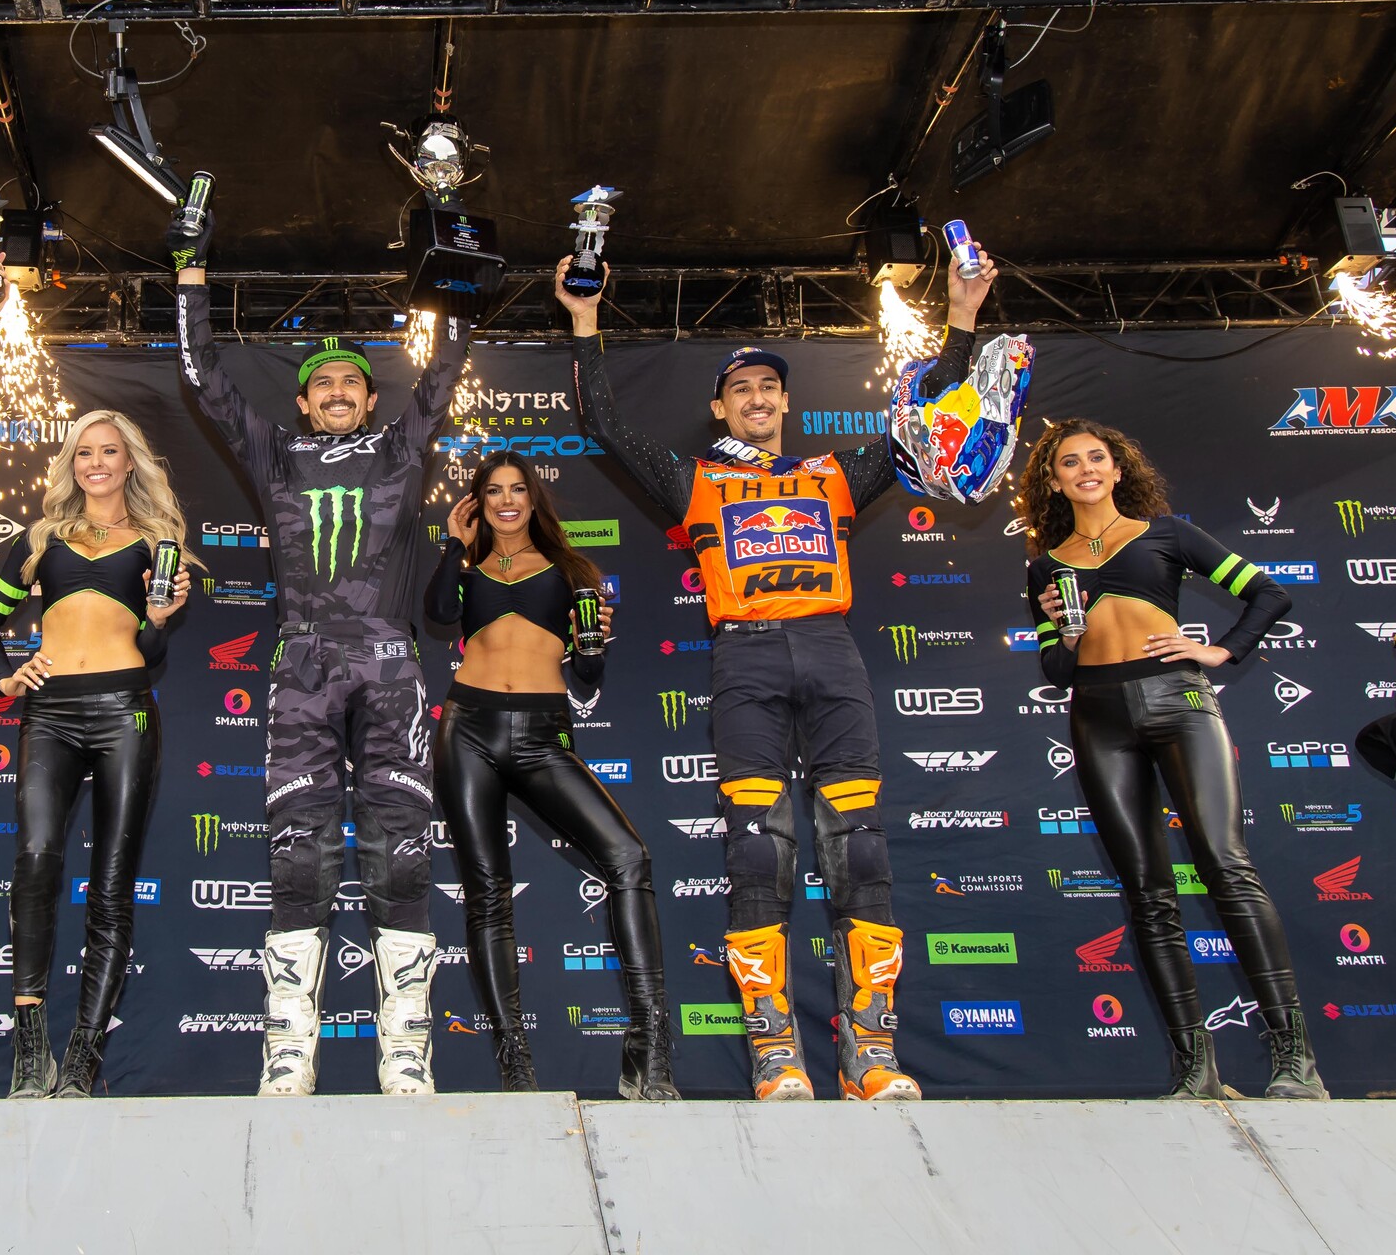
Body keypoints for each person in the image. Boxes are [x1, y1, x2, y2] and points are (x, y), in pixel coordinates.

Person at [557, 253, 992, 1103]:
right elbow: (605, 424)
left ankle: (870, 1054)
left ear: (787, 402)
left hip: (831, 650)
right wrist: (583, 320)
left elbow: (931, 415)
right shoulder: (697, 481)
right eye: (741, 391)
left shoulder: (835, 475)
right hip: (746, 657)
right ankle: (775, 1054)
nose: (757, 400)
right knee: (758, 852)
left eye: (769, 389)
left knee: (861, 849)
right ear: (720, 408)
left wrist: (966, 317)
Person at [170, 195, 471, 1096]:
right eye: (321, 385)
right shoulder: (273, 454)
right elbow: (203, 376)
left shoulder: (402, 445)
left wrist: (452, 261)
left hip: (389, 667)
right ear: (301, 401)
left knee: (404, 851)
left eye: (351, 383)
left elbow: (448, 363)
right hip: (301, 665)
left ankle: (405, 1057)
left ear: (372, 398)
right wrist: (190, 273)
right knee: (296, 855)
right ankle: (288, 1057)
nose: (337, 393)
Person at [1021, 419, 1324, 1100]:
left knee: (1226, 865)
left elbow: (1269, 594)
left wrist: (1218, 650)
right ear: (1054, 480)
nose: (1086, 470)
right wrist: (1065, 631)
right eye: (1070, 463)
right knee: (1148, 895)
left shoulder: (1167, 534)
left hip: (1179, 704)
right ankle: (1197, 1072)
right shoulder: (1047, 565)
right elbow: (1055, 670)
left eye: (1097, 458)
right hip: (1097, 717)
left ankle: (1296, 1061)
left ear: (1119, 468)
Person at [425, 454, 676, 1099]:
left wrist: (595, 643)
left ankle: (647, 1052)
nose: (507, 501)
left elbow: (588, 674)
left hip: (543, 734)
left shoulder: (574, 571)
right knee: (488, 894)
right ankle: (516, 1067)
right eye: (492, 492)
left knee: (627, 858)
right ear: (477, 503)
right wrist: (455, 544)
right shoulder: (466, 566)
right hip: (468, 729)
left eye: (517, 490)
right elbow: (435, 612)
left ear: (534, 500)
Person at [0, 410, 192, 1099]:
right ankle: (30, 1050)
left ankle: (85, 1057)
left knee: (112, 884)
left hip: (126, 711)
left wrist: (157, 622)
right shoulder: (42, 539)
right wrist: (7, 676)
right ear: (72, 464)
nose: (96, 463)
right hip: (51, 712)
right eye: (85, 452)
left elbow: (153, 657)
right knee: (35, 864)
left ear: (131, 463)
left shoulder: (160, 542)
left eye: (110, 452)